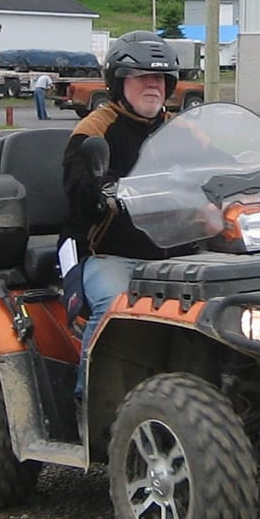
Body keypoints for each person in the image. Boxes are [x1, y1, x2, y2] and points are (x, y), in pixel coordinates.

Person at [62, 30, 191, 399]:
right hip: (104, 253)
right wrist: (101, 192)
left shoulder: (180, 130)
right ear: (120, 83)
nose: (153, 85)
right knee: (114, 300)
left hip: (172, 250)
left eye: (161, 78)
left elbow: (218, 165)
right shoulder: (94, 130)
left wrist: (257, 175)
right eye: (142, 77)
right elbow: (77, 192)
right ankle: (90, 397)